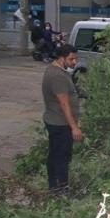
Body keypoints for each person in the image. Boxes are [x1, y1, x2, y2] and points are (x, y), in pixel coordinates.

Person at [42, 44, 83, 193]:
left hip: (55, 120)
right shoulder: (58, 76)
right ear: (61, 58)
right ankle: (62, 189)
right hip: (60, 123)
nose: (74, 62)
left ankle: (53, 186)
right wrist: (74, 127)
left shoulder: (53, 70)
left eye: (76, 59)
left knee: (54, 154)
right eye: (71, 59)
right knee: (62, 156)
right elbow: (64, 104)